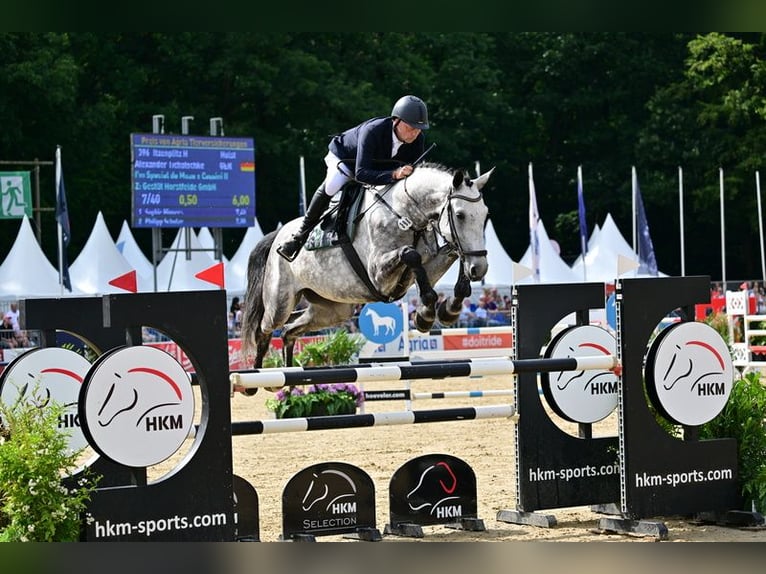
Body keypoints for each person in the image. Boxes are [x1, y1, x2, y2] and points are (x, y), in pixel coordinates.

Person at [277, 94, 430, 261]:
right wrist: (394, 174)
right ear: (396, 120)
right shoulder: (373, 131)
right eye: (410, 127)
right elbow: (361, 173)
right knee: (333, 184)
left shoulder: (418, 140)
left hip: (380, 168)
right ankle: (300, 235)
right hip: (346, 161)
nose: (414, 133)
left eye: (418, 129)